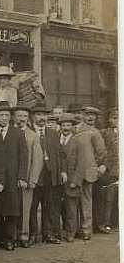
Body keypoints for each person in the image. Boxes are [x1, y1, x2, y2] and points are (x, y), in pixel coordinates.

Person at [0, 101, 28, 251]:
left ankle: (10, 239)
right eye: (1, 115)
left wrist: (22, 177)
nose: (4, 118)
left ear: (10, 117)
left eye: (6, 115)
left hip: (12, 177)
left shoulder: (18, 133)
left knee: (11, 209)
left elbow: (24, 156)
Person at [30, 103, 65, 244]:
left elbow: (61, 154)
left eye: (44, 115)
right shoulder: (28, 132)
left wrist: (62, 171)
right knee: (32, 206)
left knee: (49, 205)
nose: (41, 118)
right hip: (33, 175)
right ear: (33, 117)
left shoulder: (54, 134)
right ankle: (32, 235)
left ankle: (48, 234)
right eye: (38, 114)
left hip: (50, 175)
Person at [72, 106, 107, 240]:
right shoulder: (74, 129)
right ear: (82, 115)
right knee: (72, 201)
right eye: (87, 114)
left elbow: (101, 153)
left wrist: (93, 165)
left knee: (86, 200)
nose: (90, 117)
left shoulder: (95, 132)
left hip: (87, 172)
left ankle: (86, 230)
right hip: (73, 172)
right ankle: (73, 229)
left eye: (93, 115)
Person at [12, 105, 43, 248]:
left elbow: (37, 160)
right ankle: (11, 235)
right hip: (10, 178)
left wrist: (33, 179)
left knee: (25, 208)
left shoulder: (33, 136)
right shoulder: (9, 132)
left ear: (28, 118)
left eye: (24, 116)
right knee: (11, 208)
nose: (21, 119)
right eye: (19, 116)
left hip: (27, 179)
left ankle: (24, 235)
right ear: (14, 117)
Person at [59, 113, 80, 242]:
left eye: (68, 125)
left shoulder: (77, 141)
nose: (66, 127)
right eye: (63, 125)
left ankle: (71, 232)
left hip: (72, 180)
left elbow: (81, 162)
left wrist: (76, 181)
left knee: (71, 208)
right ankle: (64, 230)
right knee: (61, 208)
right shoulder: (57, 139)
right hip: (59, 180)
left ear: (72, 127)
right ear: (60, 126)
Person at [99, 107, 118, 233]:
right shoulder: (104, 133)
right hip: (111, 170)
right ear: (110, 120)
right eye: (114, 118)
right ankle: (107, 223)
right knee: (109, 198)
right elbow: (102, 151)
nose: (117, 121)